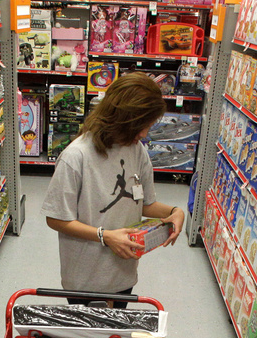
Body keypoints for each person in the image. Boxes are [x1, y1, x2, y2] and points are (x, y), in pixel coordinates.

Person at [42, 73, 186, 307]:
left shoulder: (137, 150)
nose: (143, 134)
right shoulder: (75, 156)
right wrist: (105, 236)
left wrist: (174, 211)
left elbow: (144, 204)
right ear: (121, 119)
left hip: (123, 272)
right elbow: (56, 218)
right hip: (85, 279)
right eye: (141, 127)